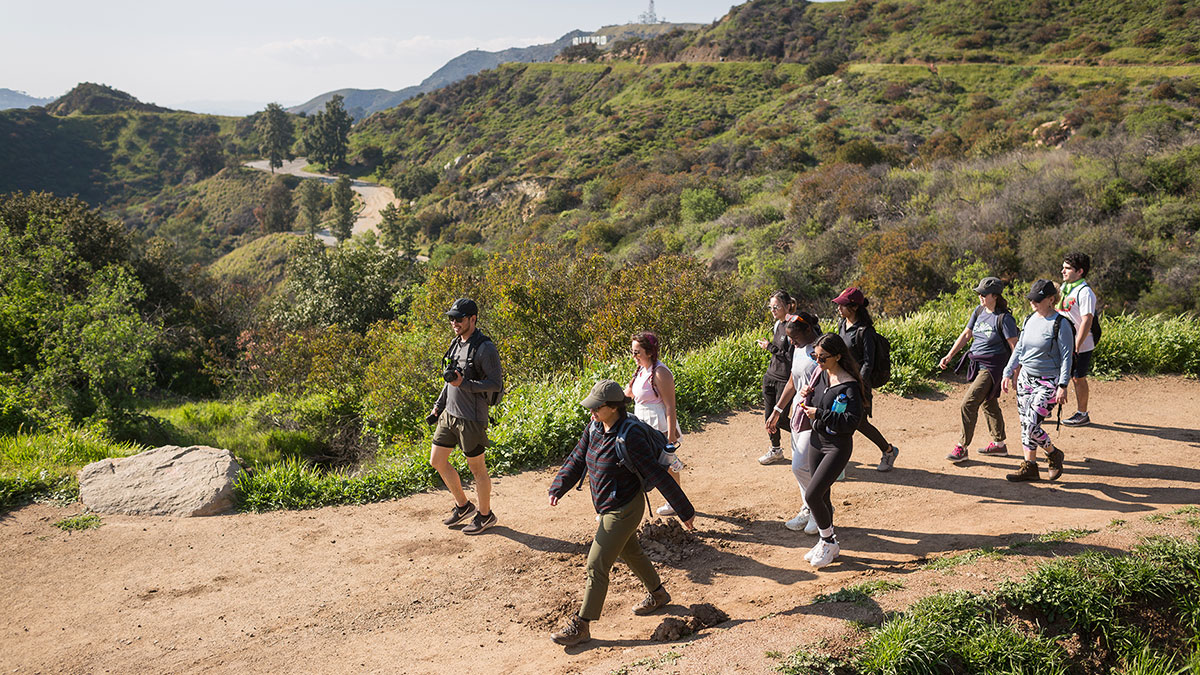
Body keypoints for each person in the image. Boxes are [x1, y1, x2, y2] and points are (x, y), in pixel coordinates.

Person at [547, 380, 696, 647]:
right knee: (631, 552)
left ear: (613, 408)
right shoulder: (594, 427)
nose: (591, 411)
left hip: (625, 507)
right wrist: (559, 486)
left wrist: (684, 510)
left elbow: (656, 474)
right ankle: (658, 594)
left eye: (596, 407)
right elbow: (577, 457)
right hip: (606, 505)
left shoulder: (630, 435)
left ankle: (582, 625)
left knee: (596, 563)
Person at [427, 298, 504, 534]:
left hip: (471, 417)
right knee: (437, 461)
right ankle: (463, 506)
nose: (454, 322)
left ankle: (485, 515)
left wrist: (465, 383)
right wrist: (438, 405)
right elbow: (450, 380)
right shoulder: (455, 343)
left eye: (459, 318)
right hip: (449, 414)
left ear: (473, 318)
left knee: (477, 469)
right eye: (451, 318)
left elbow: (495, 383)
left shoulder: (485, 348)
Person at [796, 333, 864, 569]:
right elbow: (820, 405)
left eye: (823, 357)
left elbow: (851, 421)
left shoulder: (850, 385)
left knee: (812, 495)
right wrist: (808, 396)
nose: (818, 361)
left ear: (837, 356)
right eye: (815, 356)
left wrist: (820, 414)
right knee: (823, 496)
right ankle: (826, 541)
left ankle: (828, 541)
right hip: (818, 440)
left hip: (837, 446)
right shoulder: (822, 375)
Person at [938, 277, 1020, 462]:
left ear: (995, 296)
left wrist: (1015, 372)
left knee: (968, 403)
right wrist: (950, 355)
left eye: (984, 294)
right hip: (978, 364)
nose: (980, 296)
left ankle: (962, 447)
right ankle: (999, 445)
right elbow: (967, 334)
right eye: (979, 293)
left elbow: (1015, 347)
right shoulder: (979, 311)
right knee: (988, 401)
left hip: (993, 367)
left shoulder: (1005, 319)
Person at [1001, 280, 1073, 482]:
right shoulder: (1030, 319)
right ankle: (1030, 466)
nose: (1033, 302)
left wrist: (1063, 385)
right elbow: (1021, 349)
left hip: (1049, 382)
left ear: (1051, 300)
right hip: (1025, 380)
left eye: (1038, 300)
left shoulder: (1061, 324)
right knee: (1025, 424)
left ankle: (1053, 453)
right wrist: (1008, 372)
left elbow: (1068, 357)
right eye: (1031, 298)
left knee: (1032, 425)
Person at [765, 313, 823, 535]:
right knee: (802, 469)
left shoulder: (819, 352)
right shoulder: (798, 348)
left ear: (808, 331)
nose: (791, 342)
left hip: (813, 416)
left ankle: (820, 506)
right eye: (789, 338)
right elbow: (792, 380)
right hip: (798, 414)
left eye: (795, 338)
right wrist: (777, 411)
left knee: (800, 465)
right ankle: (809, 507)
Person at [833, 287, 900, 472]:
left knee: (859, 423)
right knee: (841, 421)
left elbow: (868, 363)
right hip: (841, 381)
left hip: (858, 385)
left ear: (854, 307)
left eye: (842, 305)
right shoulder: (842, 325)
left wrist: (857, 385)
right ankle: (837, 460)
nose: (839, 309)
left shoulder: (865, 332)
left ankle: (888, 451)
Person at [624, 331, 683, 516]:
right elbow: (629, 395)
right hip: (642, 425)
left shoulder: (661, 372)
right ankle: (674, 500)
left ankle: (675, 502)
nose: (633, 356)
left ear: (649, 352)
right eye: (632, 352)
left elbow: (670, 407)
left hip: (658, 426)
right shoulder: (641, 370)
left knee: (666, 466)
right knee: (651, 466)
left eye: (637, 352)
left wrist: (671, 437)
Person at [1057, 252, 1098, 427]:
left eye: (1067, 268)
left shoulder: (1085, 292)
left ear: (1080, 271)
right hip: (1063, 342)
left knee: (1077, 377)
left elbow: (1087, 320)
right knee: (1057, 374)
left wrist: (1077, 346)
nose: (1062, 271)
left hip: (1080, 344)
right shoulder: (1066, 289)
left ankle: (1082, 414)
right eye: (1063, 267)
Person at [757, 291, 795, 465]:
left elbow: (789, 357)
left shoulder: (792, 326)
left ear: (787, 306)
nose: (772, 310)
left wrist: (769, 347)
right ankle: (776, 449)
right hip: (770, 376)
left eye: (776, 306)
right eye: (770, 307)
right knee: (768, 417)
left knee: (780, 419)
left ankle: (807, 436)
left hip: (785, 380)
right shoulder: (777, 325)